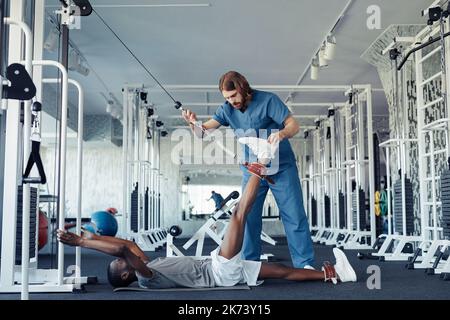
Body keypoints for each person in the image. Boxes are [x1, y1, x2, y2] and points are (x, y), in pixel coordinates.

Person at [57, 170, 357, 289]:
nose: (123, 258)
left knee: (279, 270)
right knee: (239, 215)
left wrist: (93, 235)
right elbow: (123, 249)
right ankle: (260, 168)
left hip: (217, 266)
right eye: (119, 263)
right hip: (219, 271)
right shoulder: (147, 279)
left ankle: (331, 275)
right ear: (125, 273)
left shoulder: (148, 265)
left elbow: (125, 245)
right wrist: (83, 242)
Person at [182, 71, 314, 269]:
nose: (231, 101)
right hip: (253, 170)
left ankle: (305, 265)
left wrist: (282, 133)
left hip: (281, 167)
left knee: (294, 215)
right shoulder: (227, 109)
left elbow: (293, 125)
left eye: (234, 95)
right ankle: (249, 265)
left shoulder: (268, 100)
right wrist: (193, 123)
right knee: (247, 216)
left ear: (243, 88)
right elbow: (203, 132)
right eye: (227, 97)